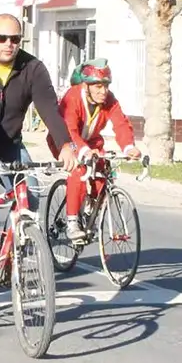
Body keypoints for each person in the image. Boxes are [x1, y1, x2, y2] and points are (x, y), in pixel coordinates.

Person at [0, 13, 77, 288]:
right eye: (2, 38)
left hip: (8, 142)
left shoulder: (33, 68)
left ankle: (8, 249)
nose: (8, 44)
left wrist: (66, 144)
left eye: (15, 39)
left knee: (29, 192)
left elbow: (49, 109)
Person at [49, 58, 141, 241]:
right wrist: (82, 152)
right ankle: (72, 222)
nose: (103, 91)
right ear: (86, 86)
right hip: (65, 141)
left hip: (92, 143)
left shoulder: (110, 100)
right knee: (79, 170)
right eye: (97, 86)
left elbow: (121, 124)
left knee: (104, 171)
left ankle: (90, 206)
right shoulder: (73, 97)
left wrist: (129, 147)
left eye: (106, 86)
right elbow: (69, 130)